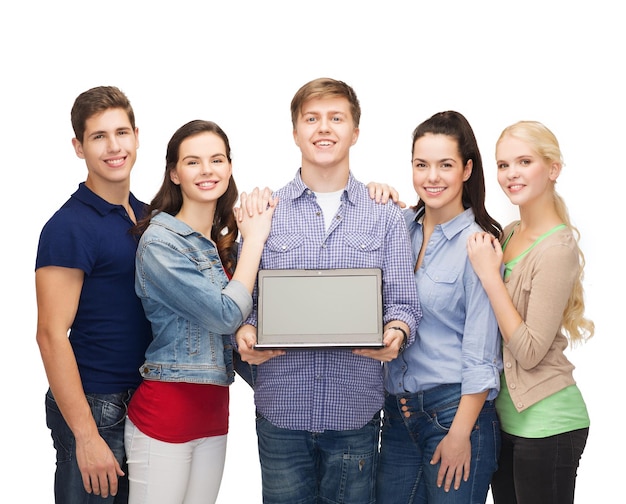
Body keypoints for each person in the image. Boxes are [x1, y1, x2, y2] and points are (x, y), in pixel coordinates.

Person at [235, 77, 421, 504]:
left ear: (355, 132)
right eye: (312, 119)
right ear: (295, 132)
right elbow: (245, 301)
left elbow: (404, 303)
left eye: (336, 118)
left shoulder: (385, 215)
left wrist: (396, 331)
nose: (324, 128)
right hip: (281, 410)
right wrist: (243, 332)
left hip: (354, 410)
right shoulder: (263, 213)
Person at [124, 120, 277, 504]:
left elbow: (243, 319)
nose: (207, 170)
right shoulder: (161, 243)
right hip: (165, 415)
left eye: (217, 159)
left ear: (229, 167)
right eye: (193, 162)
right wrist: (255, 239)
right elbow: (225, 313)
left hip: (213, 414)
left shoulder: (222, 244)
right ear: (174, 173)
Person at [370, 111, 503, 504]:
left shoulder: (478, 246)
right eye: (421, 165)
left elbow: (483, 353)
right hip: (395, 415)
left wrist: (461, 433)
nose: (432, 177)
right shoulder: (397, 226)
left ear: (466, 169)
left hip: (454, 413)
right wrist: (373, 190)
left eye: (445, 165)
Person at [35, 86, 152, 503]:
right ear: (79, 147)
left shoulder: (145, 215)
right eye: (98, 136)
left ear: (137, 136)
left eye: (121, 132)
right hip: (96, 405)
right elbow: (50, 333)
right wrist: (85, 436)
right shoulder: (70, 226)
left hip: (144, 402)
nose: (114, 146)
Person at [467, 120, 594, 504]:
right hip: (506, 422)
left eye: (524, 161)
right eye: (503, 165)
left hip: (549, 423)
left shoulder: (557, 249)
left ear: (552, 169)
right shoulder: (508, 233)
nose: (511, 174)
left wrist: (491, 277)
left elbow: (530, 350)